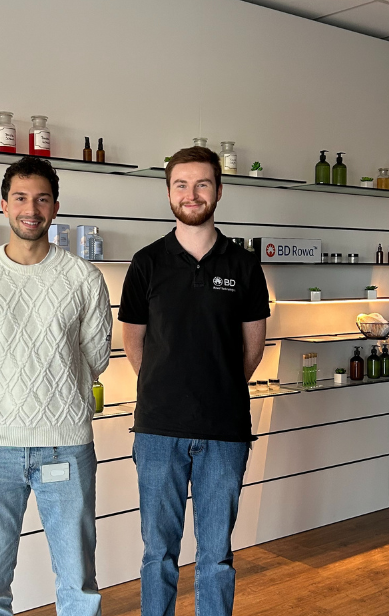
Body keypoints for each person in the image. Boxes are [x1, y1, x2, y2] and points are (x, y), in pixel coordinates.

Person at [0, 156, 112, 616]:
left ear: (55, 207)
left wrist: (55, 391)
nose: (30, 208)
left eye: (41, 198)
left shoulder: (83, 278)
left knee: (78, 582)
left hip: (65, 445)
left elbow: (96, 357)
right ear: (4, 205)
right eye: (20, 198)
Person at [119, 146, 270, 616]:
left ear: (218, 191)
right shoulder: (146, 263)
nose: (192, 193)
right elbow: (134, 345)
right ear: (169, 192)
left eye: (202, 184)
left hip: (224, 431)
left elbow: (252, 349)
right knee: (157, 553)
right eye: (181, 184)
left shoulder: (243, 265)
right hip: (158, 430)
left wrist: (215, 387)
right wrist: (171, 388)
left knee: (216, 557)